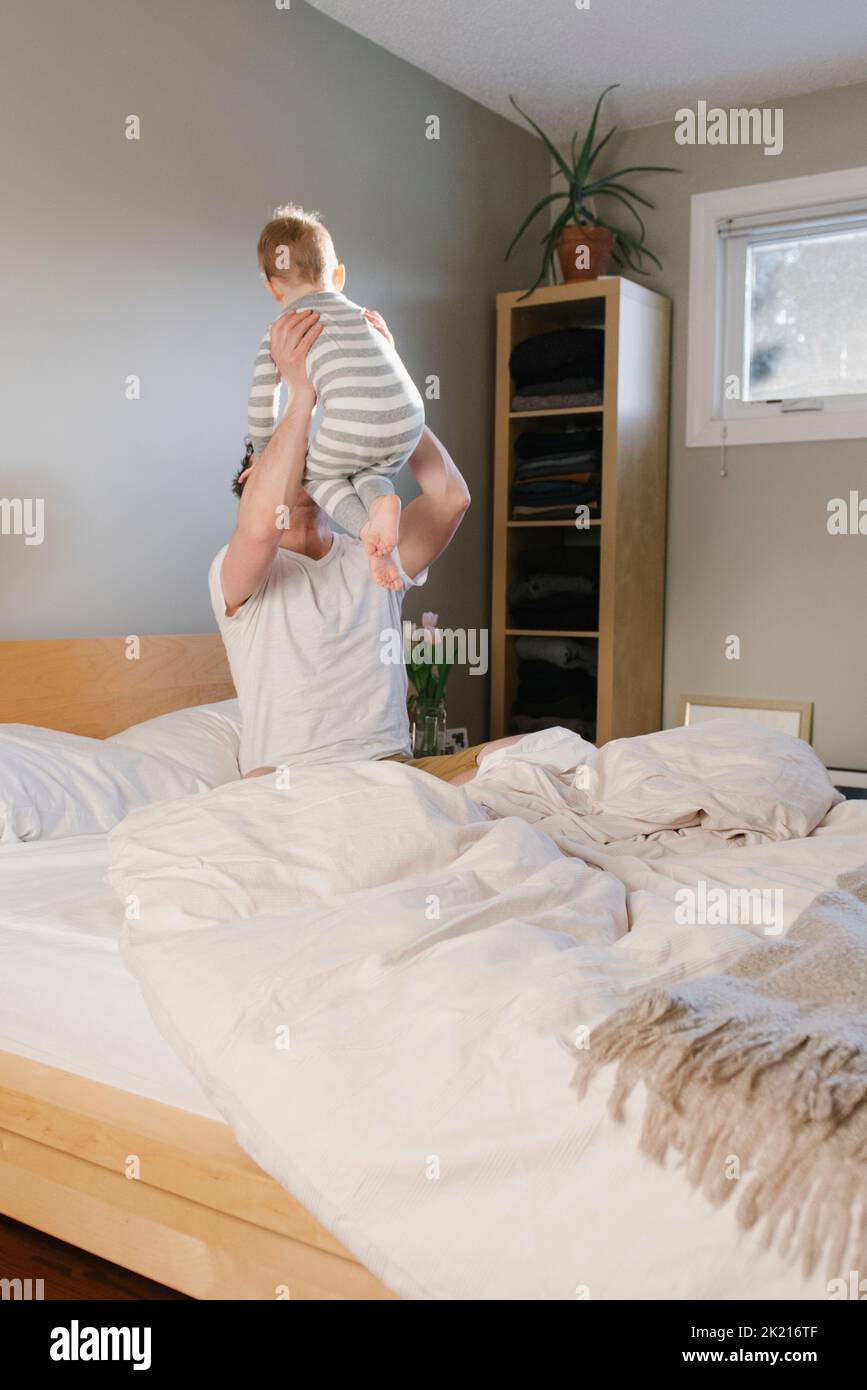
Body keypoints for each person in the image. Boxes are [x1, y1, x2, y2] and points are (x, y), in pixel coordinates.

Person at [213, 304, 514, 786]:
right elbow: (261, 527)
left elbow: (451, 498)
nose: (307, 452)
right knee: (262, 785)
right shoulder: (236, 571)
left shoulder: (374, 554)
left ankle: (428, 803)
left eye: (315, 447)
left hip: (391, 772)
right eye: (292, 450)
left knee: (533, 753)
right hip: (292, 778)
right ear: (253, 479)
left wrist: (392, 392)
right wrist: (301, 394)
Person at [245, 205, 424, 589]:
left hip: (357, 427)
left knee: (317, 473)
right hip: (411, 418)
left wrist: (263, 453)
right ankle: (382, 504)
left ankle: (368, 532)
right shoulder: (365, 317)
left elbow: (262, 407)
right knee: (369, 471)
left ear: (273, 288)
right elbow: (386, 372)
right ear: (339, 275)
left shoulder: (279, 331)